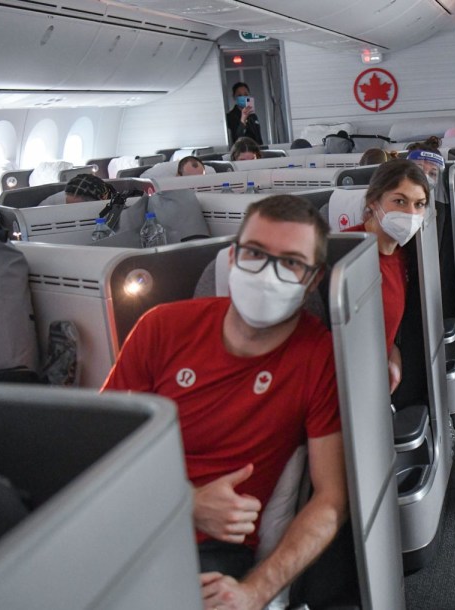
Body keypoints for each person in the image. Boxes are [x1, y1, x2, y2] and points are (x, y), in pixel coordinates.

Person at [102, 195, 348, 610]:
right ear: (232, 258)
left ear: (311, 279)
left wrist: (255, 591)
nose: (267, 274)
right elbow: (102, 447)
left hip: (210, 551)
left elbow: (331, 499)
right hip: (124, 521)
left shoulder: (320, 357)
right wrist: (184, 504)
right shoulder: (160, 327)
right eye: (255, 253)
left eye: (290, 262)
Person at [343, 159, 430, 394]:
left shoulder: (406, 255)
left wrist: (391, 349)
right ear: (374, 202)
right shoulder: (345, 254)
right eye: (400, 201)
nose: (411, 214)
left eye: (419, 204)